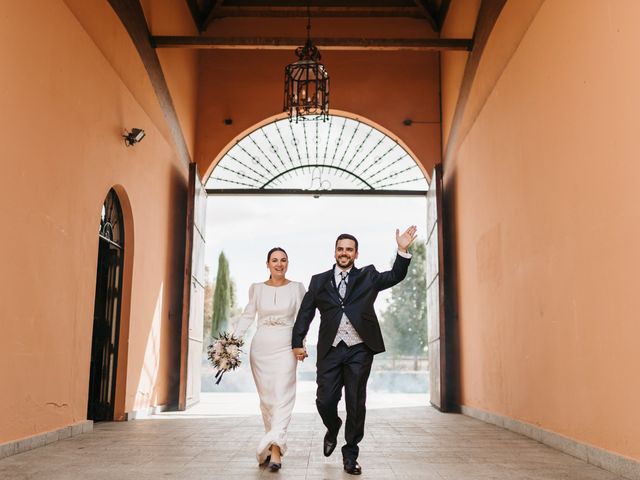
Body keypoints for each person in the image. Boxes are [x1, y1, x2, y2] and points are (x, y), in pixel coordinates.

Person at [292, 227, 417, 475]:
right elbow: (305, 311)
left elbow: (394, 275)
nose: (344, 253)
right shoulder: (318, 281)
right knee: (325, 399)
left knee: (355, 403)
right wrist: (298, 341)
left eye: (349, 249)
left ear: (356, 254)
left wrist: (402, 250)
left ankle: (350, 454)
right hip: (329, 350)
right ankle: (333, 424)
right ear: (335, 252)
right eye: (340, 249)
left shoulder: (368, 276)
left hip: (359, 349)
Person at [233, 247, 306, 472]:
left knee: (283, 396)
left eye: (283, 260)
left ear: (287, 263)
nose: (279, 264)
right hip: (261, 348)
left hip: (286, 346)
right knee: (267, 401)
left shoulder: (297, 288)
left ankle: (276, 450)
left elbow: (304, 318)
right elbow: (247, 316)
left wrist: (301, 344)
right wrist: (231, 342)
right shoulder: (256, 289)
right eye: (274, 260)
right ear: (267, 264)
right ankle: (269, 443)